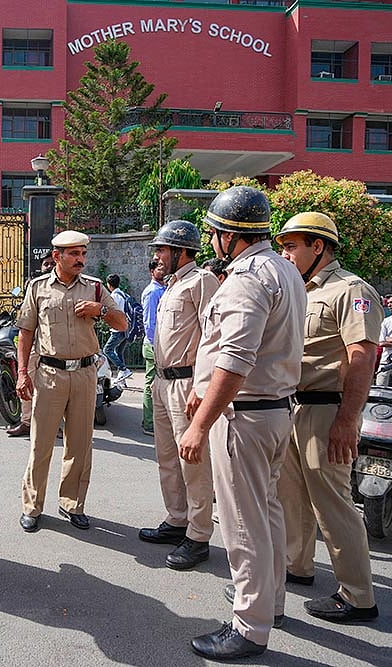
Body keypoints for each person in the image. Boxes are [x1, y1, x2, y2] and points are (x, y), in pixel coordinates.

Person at [177, 186, 306, 660]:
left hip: (245, 417)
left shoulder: (247, 279)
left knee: (242, 526)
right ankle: (271, 604)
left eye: (214, 233)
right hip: (273, 411)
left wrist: (199, 424)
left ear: (230, 235)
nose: (212, 240)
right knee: (267, 513)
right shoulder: (285, 269)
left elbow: (235, 359)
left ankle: (250, 627)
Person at [274, 212, 381, 622]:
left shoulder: (350, 289)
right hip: (295, 405)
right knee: (292, 496)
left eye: (291, 246)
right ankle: (297, 565)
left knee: (333, 504)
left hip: (327, 409)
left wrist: (347, 421)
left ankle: (358, 595)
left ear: (318, 246)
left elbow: (362, 357)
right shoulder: (300, 290)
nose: (286, 254)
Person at [15, 231, 127, 532]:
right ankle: (32, 505)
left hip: (85, 374)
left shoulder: (95, 287)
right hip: (49, 375)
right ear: (57, 256)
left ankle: (72, 503)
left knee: (80, 444)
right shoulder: (38, 288)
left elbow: (122, 323)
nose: (81, 259)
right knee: (41, 444)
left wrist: (100, 310)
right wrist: (22, 373)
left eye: (83, 254)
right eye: (74, 254)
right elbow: (25, 333)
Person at [139, 220, 220, 571]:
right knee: (168, 458)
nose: (157, 256)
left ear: (182, 251)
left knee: (193, 463)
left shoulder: (202, 281)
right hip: (163, 381)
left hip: (187, 383)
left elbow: (213, 338)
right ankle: (177, 519)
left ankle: (199, 535)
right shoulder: (172, 284)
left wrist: (202, 387)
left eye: (162, 249)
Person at [7, 251, 56, 438]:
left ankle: (54, 425)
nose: (49, 267)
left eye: (52, 263)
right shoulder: (33, 285)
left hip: (55, 348)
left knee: (52, 388)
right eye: (46, 264)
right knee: (26, 381)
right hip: (33, 343)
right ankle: (26, 422)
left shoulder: (66, 287)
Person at [140, 259, 167, 436]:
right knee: (151, 384)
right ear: (152, 271)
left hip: (160, 344)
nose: (163, 271)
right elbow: (150, 324)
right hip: (153, 345)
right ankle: (148, 423)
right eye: (159, 268)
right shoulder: (152, 292)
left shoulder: (164, 289)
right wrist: (156, 346)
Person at [102, 274, 132, 381]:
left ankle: (123, 369)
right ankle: (122, 379)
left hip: (118, 329)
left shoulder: (114, 296)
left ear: (109, 285)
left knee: (107, 350)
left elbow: (112, 313)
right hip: (127, 328)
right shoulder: (123, 294)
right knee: (119, 351)